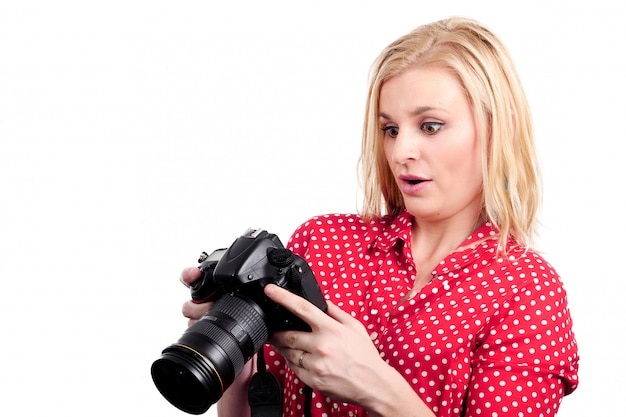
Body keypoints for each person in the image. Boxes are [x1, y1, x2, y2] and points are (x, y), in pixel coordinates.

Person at [180, 16, 579, 417]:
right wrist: (231, 339)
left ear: (498, 130)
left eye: (430, 126)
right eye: (390, 129)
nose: (401, 150)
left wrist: (374, 384)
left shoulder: (527, 291)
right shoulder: (323, 244)